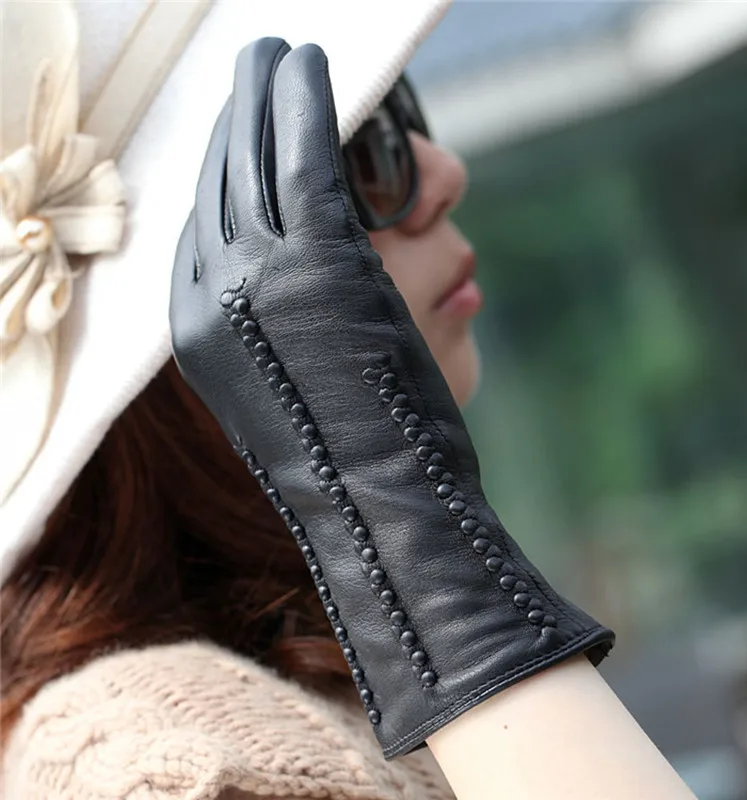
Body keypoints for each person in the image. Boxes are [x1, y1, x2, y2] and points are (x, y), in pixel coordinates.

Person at [1, 2, 697, 798]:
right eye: (338, 162)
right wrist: (381, 492)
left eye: (401, 115)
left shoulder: (294, 672)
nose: (443, 174)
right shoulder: (133, 764)